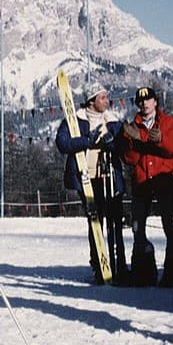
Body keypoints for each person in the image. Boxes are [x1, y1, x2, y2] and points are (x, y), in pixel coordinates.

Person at [55, 82, 129, 285]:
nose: (107, 101)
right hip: (86, 177)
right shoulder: (76, 120)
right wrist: (86, 141)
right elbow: (62, 143)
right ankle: (99, 265)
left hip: (110, 176)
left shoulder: (112, 120)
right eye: (103, 97)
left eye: (107, 97)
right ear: (92, 100)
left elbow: (124, 146)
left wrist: (113, 142)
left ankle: (119, 265)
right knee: (95, 222)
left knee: (115, 222)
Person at [120, 86, 173, 287]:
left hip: (165, 178)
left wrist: (158, 140)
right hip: (142, 179)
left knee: (169, 224)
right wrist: (132, 142)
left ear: (155, 102)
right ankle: (143, 270)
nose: (144, 104)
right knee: (137, 226)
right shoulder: (134, 126)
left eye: (148, 100)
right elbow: (129, 159)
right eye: (140, 101)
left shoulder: (168, 123)